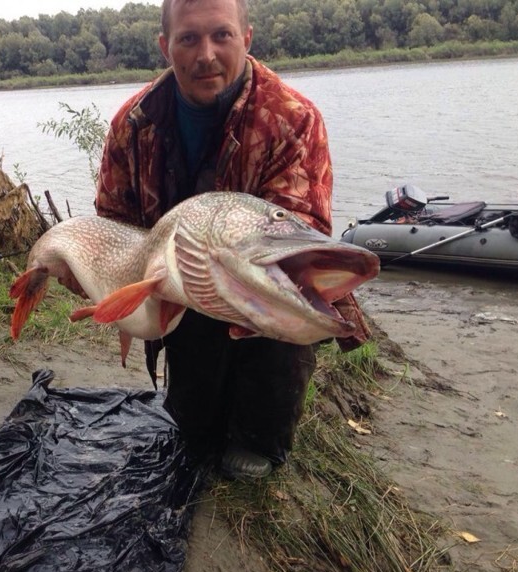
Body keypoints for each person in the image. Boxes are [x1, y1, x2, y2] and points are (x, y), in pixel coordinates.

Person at [94, 0, 371, 478]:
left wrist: (238, 285)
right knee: (194, 428)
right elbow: (112, 222)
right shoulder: (132, 123)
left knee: (286, 294)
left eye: (221, 35)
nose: (206, 54)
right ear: (166, 47)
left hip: (255, 276)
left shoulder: (293, 117)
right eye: (188, 38)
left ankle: (259, 435)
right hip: (178, 284)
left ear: (247, 37)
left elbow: (300, 225)